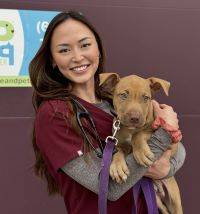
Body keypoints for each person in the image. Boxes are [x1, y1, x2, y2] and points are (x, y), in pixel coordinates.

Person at [29, 11, 186, 214]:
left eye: (85, 45)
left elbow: (179, 149)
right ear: (52, 59)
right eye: (64, 50)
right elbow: (108, 188)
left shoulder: (115, 98)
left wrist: (167, 168)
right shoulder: (55, 114)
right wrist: (165, 131)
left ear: (98, 50)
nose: (78, 57)